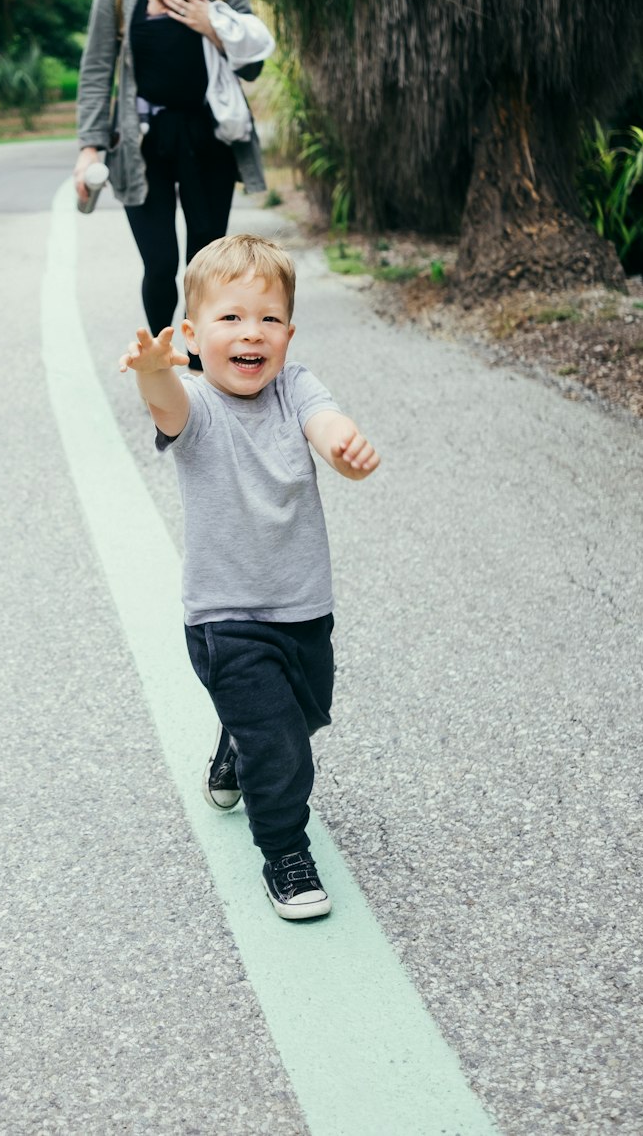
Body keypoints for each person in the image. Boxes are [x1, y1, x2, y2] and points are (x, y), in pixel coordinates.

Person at [118, 234, 381, 920]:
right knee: (282, 752)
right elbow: (166, 402)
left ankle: (235, 745)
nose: (251, 333)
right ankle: (286, 855)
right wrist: (153, 371)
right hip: (225, 617)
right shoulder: (198, 408)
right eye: (231, 318)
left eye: (268, 319)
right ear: (194, 335)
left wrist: (343, 448)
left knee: (307, 715)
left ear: (289, 333)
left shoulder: (294, 388)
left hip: (302, 608)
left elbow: (326, 423)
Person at [74, 0, 268, 366]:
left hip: (208, 140)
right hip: (143, 144)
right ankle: (163, 367)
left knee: (205, 268)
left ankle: (205, 373)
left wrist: (214, 26)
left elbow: (255, 66)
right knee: (159, 264)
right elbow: (97, 69)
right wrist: (88, 148)